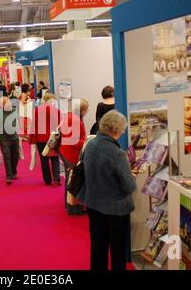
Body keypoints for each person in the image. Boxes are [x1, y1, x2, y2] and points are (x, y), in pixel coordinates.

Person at [80, 110, 137, 271]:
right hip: (116, 210)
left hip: (93, 204)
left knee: (98, 248)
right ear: (117, 129)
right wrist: (132, 176)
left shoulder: (90, 145)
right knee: (118, 252)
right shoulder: (117, 153)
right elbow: (129, 186)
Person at [60, 99, 89, 214]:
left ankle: (69, 205)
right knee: (73, 181)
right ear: (82, 110)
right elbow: (73, 140)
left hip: (66, 151)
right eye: (86, 110)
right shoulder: (76, 120)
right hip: (70, 153)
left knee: (70, 179)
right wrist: (85, 142)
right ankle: (73, 208)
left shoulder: (69, 116)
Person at [29, 92, 62, 186]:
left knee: (44, 159)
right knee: (55, 158)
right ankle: (56, 179)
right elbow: (60, 126)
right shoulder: (57, 111)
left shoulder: (37, 110)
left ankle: (47, 180)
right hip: (53, 138)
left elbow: (34, 125)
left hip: (40, 138)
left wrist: (32, 139)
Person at [0, 97, 19, 185]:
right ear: (2, 106)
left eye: (9, 102)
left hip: (14, 138)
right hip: (4, 139)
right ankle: (8, 176)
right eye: (6, 103)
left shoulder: (14, 110)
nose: (8, 104)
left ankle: (13, 171)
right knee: (7, 157)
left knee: (15, 156)